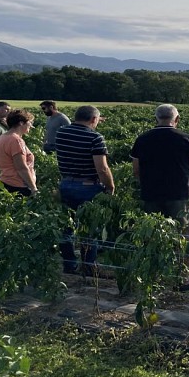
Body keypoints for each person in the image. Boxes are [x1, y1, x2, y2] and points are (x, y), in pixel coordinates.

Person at [131, 104, 189, 291]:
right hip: (179, 194)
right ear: (177, 119)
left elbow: (136, 170)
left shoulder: (142, 139)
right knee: (186, 235)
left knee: (153, 234)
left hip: (151, 194)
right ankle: (183, 278)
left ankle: (153, 276)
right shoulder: (186, 139)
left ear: (156, 119)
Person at [55, 105, 116, 274]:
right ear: (93, 119)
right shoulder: (95, 137)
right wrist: (110, 187)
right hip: (88, 186)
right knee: (90, 229)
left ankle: (69, 265)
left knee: (66, 227)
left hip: (66, 184)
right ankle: (88, 268)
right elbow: (102, 168)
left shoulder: (62, 132)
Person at [0, 109, 38, 197]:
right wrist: (33, 188)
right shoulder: (16, 141)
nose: (31, 125)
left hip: (5, 181)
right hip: (18, 185)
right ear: (21, 123)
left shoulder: (1, 138)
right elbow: (21, 168)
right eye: (29, 122)